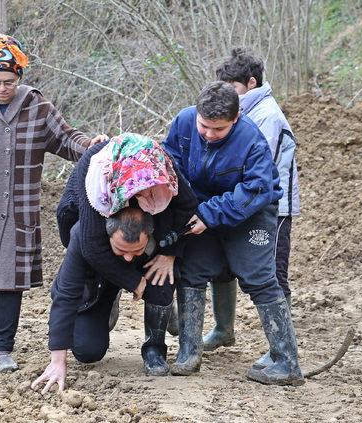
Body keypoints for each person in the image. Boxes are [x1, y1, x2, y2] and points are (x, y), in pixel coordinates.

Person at [0, 34, 106, 374]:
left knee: (10, 277)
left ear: (20, 77)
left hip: (19, 208)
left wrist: (92, 146)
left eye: (8, 82)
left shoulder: (38, 107)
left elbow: (67, 139)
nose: (1, 88)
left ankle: (2, 347)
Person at [162, 81, 304, 385]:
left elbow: (257, 189)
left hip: (249, 212)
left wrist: (211, 214)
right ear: (197, 114)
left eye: (219, 129)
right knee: (193, 271)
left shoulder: (251, 139)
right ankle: (189, 352)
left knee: (258, 277)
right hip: (200, 209)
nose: (210, 134)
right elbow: (170, 163)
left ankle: (286, 361)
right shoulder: (184, 121)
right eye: (205, 126)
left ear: (235, 119)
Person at [200, 49, 301, 369]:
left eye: (232, 86)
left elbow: (260, 176)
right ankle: (223, 329)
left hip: (272, 209)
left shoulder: (267, 116)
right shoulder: (241, 112)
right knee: (223, 267)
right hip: (238, 205)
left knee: (272, 275)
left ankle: (282, 350)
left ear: (251, 83)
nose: (227, 93)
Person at [32, 207, 178, 394]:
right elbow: (66, 295)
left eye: (136, 250)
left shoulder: (161, 223)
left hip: (146, 270)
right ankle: (111, 299)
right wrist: (57, 361)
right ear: (107, 235)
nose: (127, 258)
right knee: (88, 351)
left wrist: (170, 254)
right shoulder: (84, 234)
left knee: (164, 272)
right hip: (98, 284)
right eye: (121, 249)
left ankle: (154, 349)